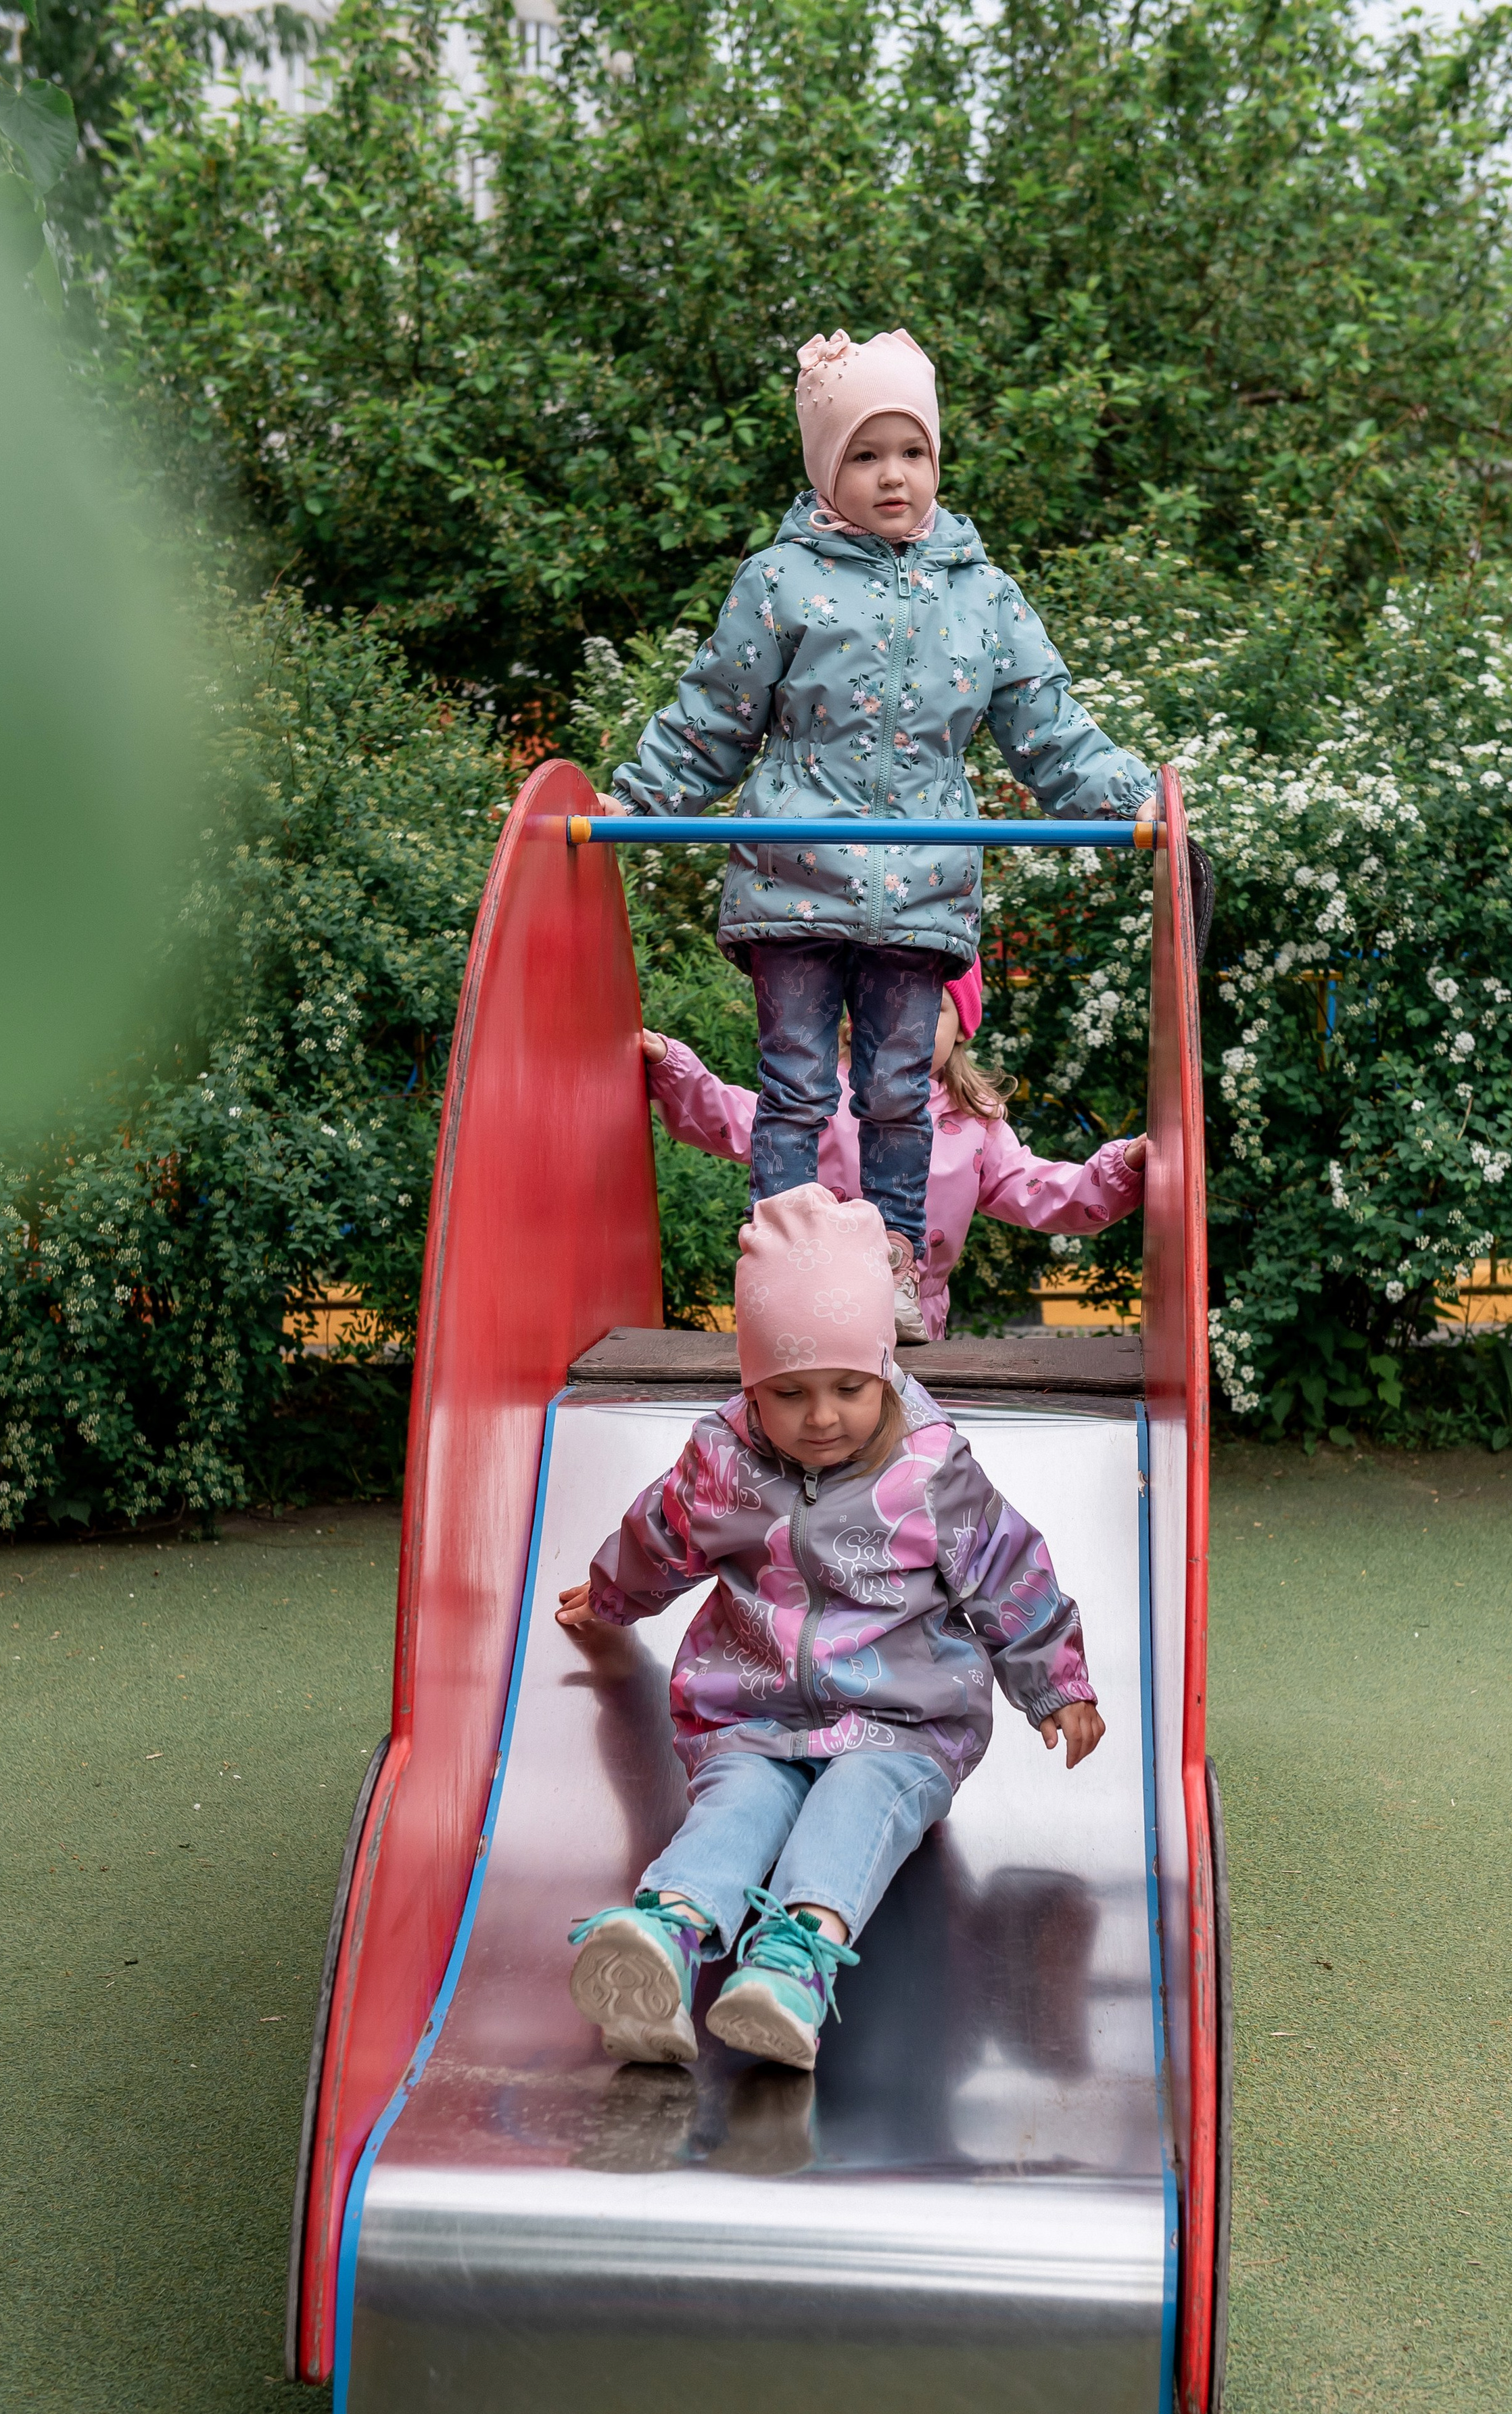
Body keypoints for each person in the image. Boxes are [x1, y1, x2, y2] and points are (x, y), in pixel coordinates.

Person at [601, 325, 1157, 1340]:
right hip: (793, 879)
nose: (892, 475)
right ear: (826, 467)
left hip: (922, 889)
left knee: (901, 1090)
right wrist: (628, 804)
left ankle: (892, 1270)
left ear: (938, 460)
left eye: (912, 451)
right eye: (864, 454)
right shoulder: (779, 582)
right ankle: (788, 1258)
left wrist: (1127, 794)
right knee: (797, 1086)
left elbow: (1047, 724)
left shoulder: (983, 596)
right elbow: (714, 714)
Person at [557, 1182, 1104, 2074]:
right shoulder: (722, 1460)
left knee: (854, 1802)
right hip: (753, 1713)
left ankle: (792, 1961)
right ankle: (668, 1932)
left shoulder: (929, 1470)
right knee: (736, 1804)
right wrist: (609, 1597)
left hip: (904, 1720)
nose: (820, 1415)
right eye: (789, 1391)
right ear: (752, 1385)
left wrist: (1056, 1680)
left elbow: (1009, 1566)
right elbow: (660, 1535)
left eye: (849, 1387)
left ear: (884, 1369)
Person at [641, 952, 1148, 1342]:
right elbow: (732, 1118)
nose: (913, 1024)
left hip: (913, 1319)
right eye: (892, 1008)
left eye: (935, 1009)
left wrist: (1122, 1170)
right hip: (816, 1305)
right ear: (857, 1021)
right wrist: (672, 1069)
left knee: (901, 1445)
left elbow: (1037, 1190)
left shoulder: (975, 1125)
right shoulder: (818, 1098)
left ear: (962, 1030)